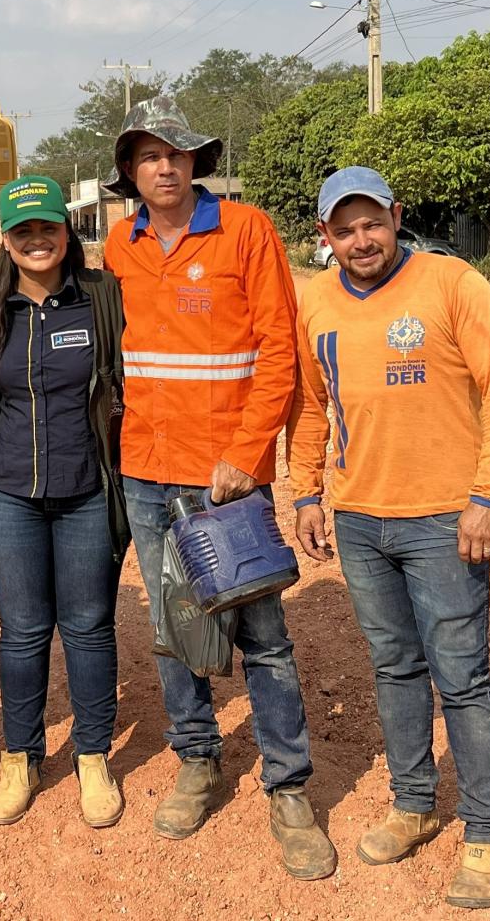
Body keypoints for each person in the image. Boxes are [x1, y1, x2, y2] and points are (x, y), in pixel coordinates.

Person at [101, 96, 337, 880]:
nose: (163, 167)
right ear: (130, 172)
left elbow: (280, 349)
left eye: (176, 153)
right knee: (173, 626)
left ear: (196, 161)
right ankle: (197, 758)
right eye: (147, 155)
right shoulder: (120, 242)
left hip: (226, 478)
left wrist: (247, 454)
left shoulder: (245, 230)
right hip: (145, 468)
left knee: (261, 631)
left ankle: (288, 785)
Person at [287, 166, 490, 910]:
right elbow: (310, 407)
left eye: (372, 223)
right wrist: (305, 492)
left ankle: (487, 831)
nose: (361, 239)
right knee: (394, 668)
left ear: (394, 217)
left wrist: (488, 497)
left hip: (443, 518)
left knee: (460, 676)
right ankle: (414, 804)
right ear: (325, 236)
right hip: (359, 519)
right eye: (344, 228)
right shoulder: (317, 303)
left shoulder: (452, 284)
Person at [0, 175, 129, 828]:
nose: (37, 240)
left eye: (48, 228)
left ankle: (92, 756)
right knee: (24, 631)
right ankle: (20, 756)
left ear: (67, 232)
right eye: (23, 230)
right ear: (6, 237)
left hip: (87, 487)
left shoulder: (100, 297)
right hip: (8, 494)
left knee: (88, 627)